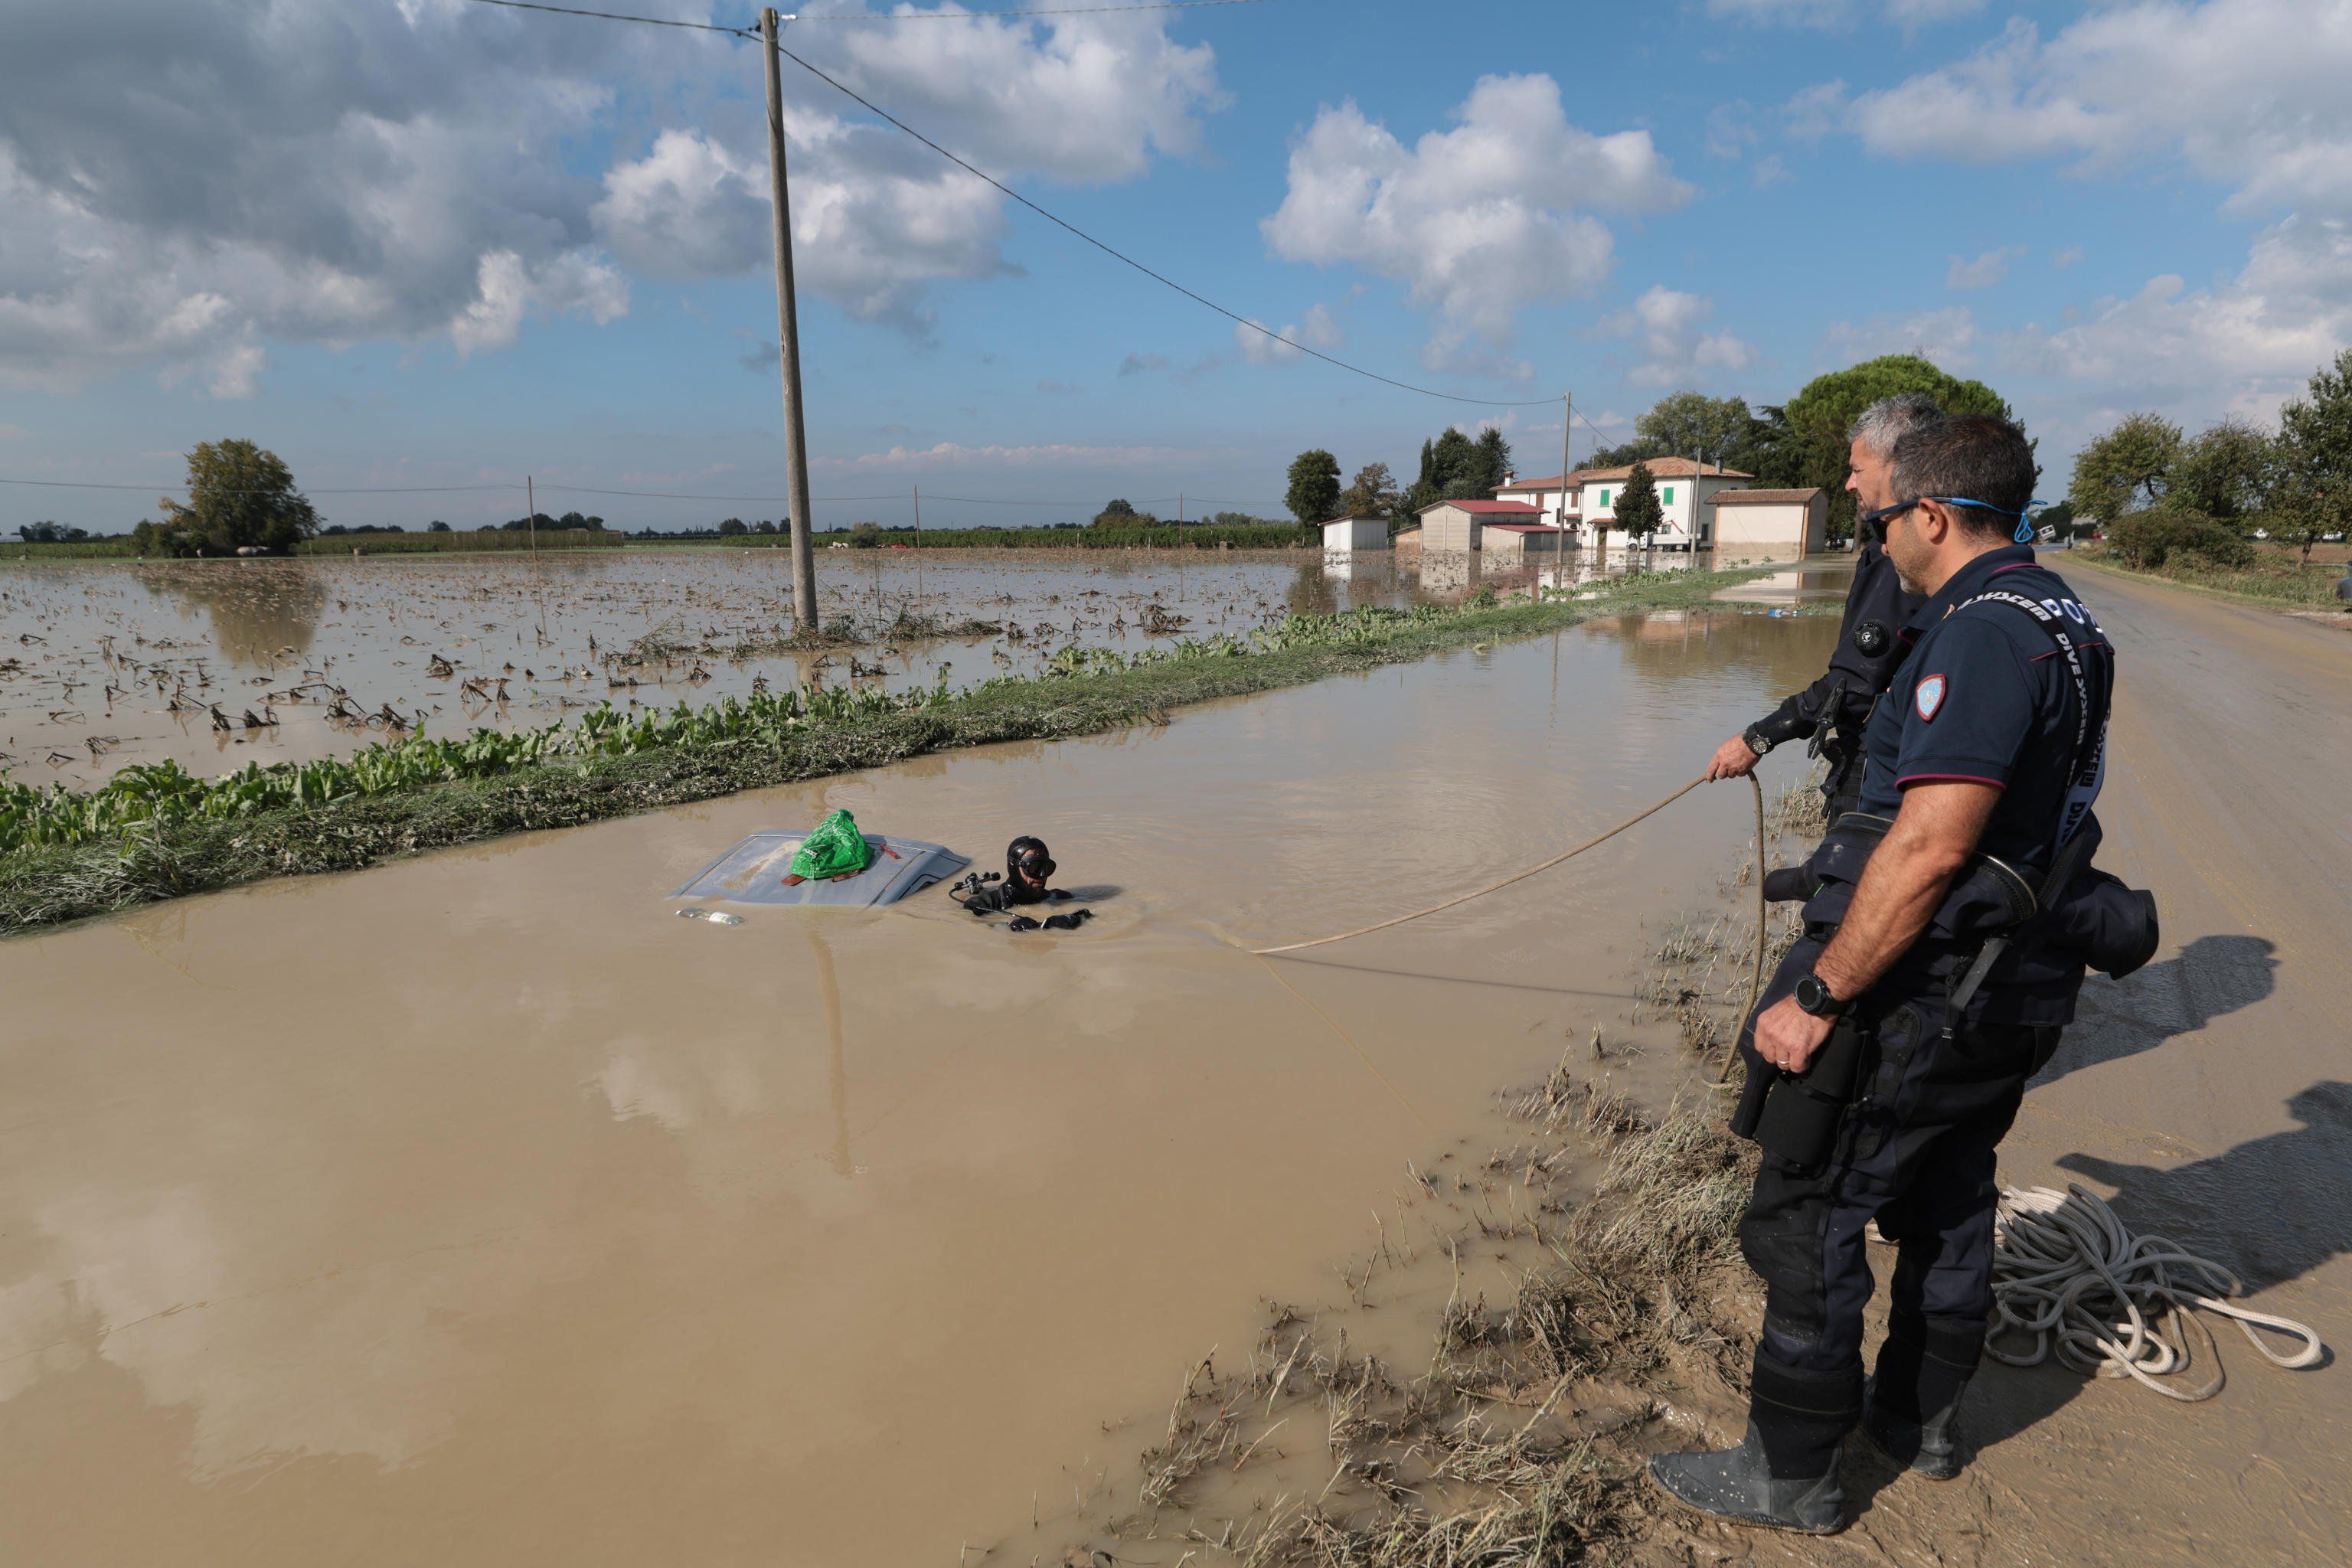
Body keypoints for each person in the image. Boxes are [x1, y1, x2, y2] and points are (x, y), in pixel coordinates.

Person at [1650, 414, 2142, 1534]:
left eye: (1881, 522)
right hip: (2007, 990)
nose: (1881, 545)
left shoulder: (1976, 631)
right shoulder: (2066, 616)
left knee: (1808, 1211)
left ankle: (1792, 1475)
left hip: (1924, 993)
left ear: (1929, 513)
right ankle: (1916, 1421)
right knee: (1949, 1195)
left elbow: (1930, 845)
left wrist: (1820, 995)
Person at [1706, 394, 1939, 821]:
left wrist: (1756, 739)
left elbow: (1850, 687)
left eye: (1856, 470)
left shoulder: (1905, 557)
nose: (1849, 484)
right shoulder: (1917, 551)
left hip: (1883, 776)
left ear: (1899, 469)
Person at [952, 836, 1093, 930]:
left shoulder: (1059, 897)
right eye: (1034, 867)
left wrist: (1079, 918)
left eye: (1046, 868)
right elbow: (967, 919)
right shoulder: (986, 903)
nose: (1041, 875)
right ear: (1014, 868)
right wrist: (1006, 925)